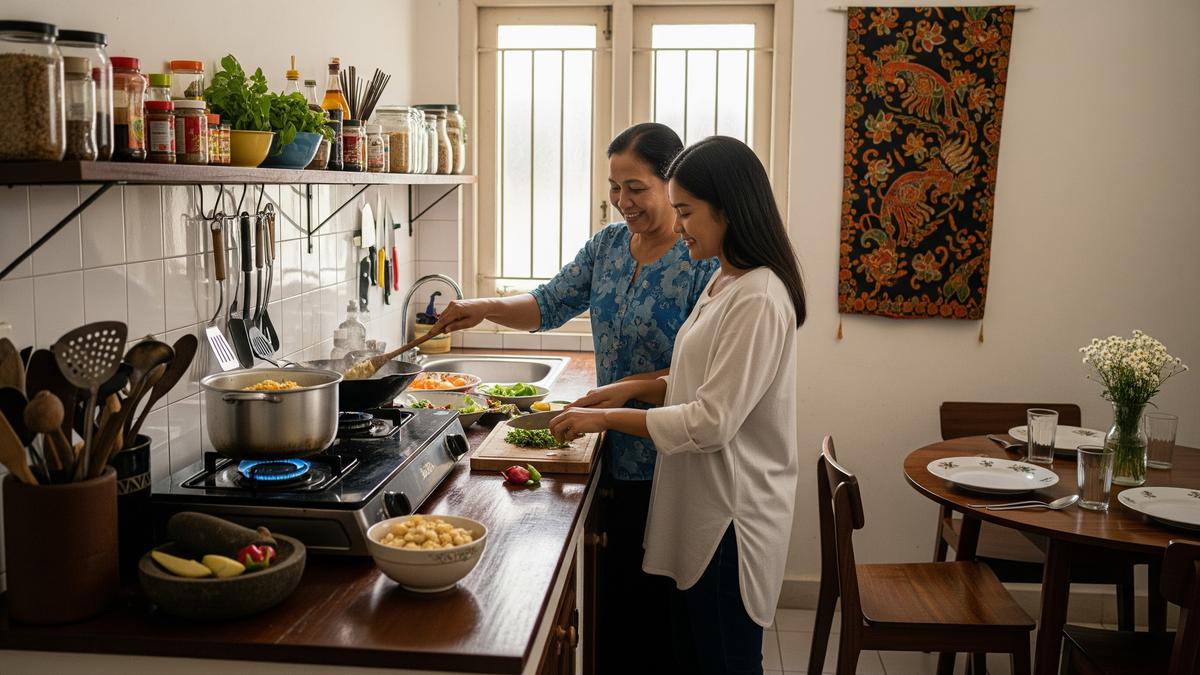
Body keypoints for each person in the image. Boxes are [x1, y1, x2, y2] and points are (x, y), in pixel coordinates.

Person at [426, 123, 718, 672]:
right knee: (616, 608)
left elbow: (702, 370)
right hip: (606, 445)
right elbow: (548, 303)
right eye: (614, 187)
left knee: (659, 617)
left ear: (671, 183)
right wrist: (483, 307)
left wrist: (624, 396)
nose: (622, 201)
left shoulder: (701, 258)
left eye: (636, 188)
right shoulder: (608, 246)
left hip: (670, 458)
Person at [547, 136, 806, 674]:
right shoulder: (725, 280)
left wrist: (605, 417)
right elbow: (699, 382)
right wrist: (633, 389)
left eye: (686, 211)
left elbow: (711, 421)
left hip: (731, 518)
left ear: (727, 211)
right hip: (703, 505)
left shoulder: (758, 297)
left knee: (727, 663)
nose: (679, 225)